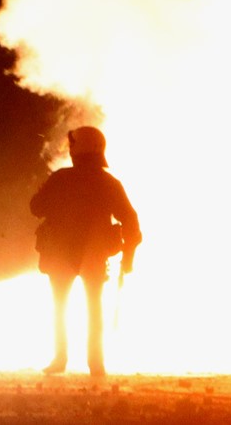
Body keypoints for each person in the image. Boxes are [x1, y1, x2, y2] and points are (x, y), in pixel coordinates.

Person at [29, 126, 142, 378]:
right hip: (94, 252)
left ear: (77, 150)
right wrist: (128, 258)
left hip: (60, 251)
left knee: (59, 305)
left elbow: (36, 207)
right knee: (94, 307)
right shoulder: (110, 182)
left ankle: (59, 359)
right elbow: (131, 221)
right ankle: (96, 363)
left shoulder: (61, 178)